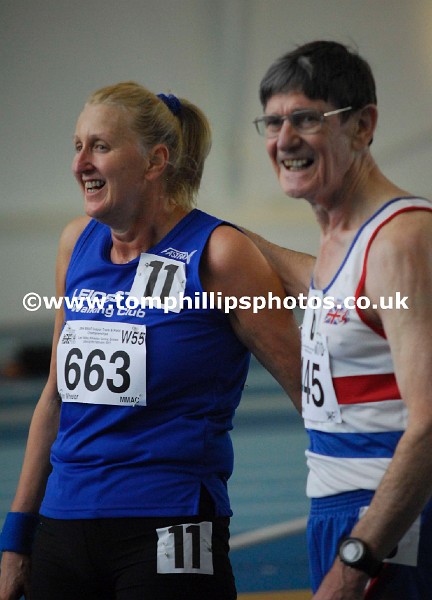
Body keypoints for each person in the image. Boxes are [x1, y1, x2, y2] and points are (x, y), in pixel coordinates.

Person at [0, 81, 302, 600]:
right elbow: (54, 397)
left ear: (155, 161)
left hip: (170, 521)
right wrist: (16, 536)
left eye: (100, 146)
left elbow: (308, 387)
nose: (80, 164)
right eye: (77, 146)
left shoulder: (219, 253)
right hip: (64, 525)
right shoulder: (76, 244)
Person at [248, 41, 432, 599]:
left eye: (306, 118)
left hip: (391, 523)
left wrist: (358, 559)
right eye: (273, 122)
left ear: (362, 126)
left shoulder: (402, 239)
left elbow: (430, 422)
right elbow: (340, 296)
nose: (285, 140)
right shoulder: (343, 240)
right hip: (344, 509)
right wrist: (216, 233)